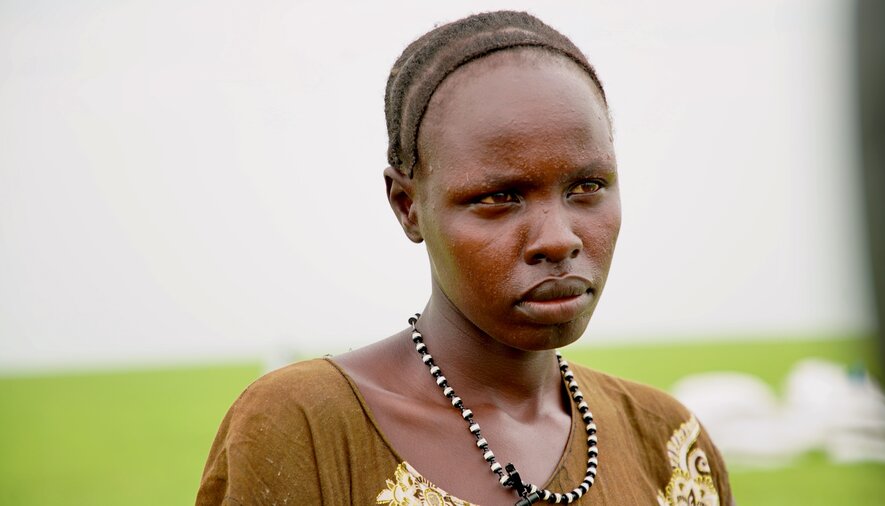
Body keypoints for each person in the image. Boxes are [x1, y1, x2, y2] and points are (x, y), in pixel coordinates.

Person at [197, 11, 734, 506]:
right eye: (500, 197)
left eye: (587, 186)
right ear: (408, 206)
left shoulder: (667, 443)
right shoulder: (306, 425)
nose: (557, 238)